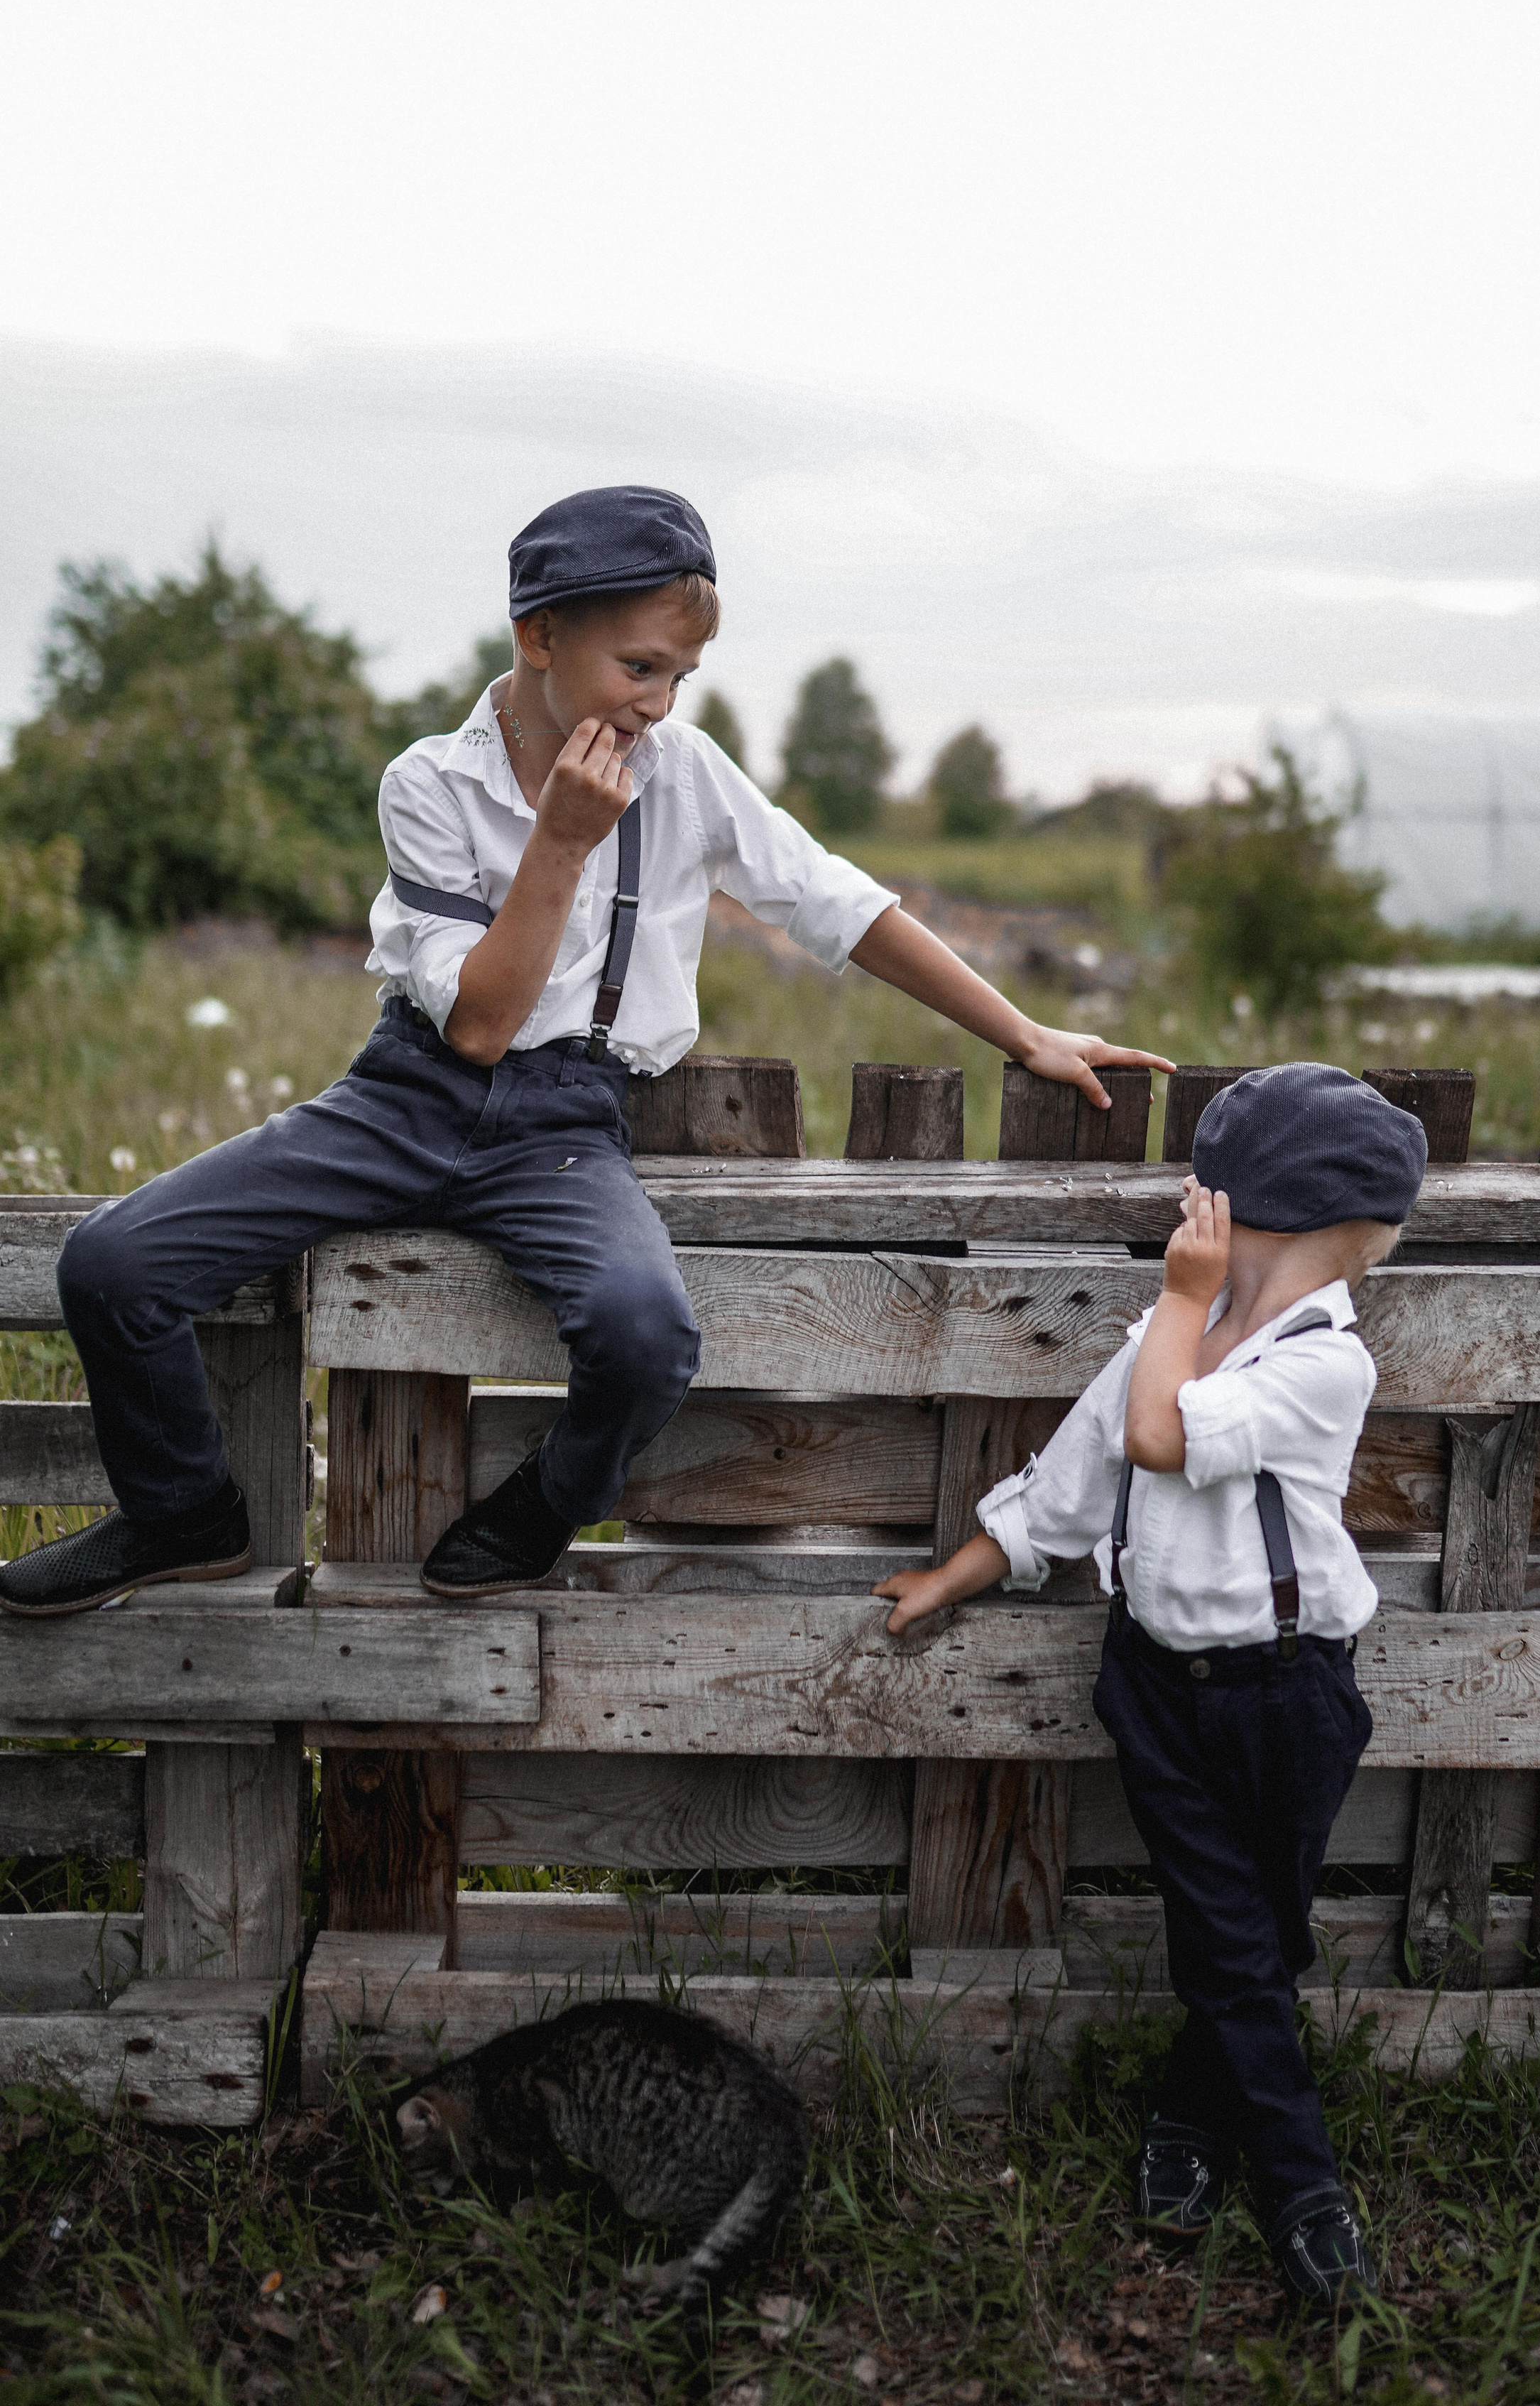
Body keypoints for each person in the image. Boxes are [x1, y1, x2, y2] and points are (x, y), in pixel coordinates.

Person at [1, 484, 1169, 1620]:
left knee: (644, 1333)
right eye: (639, 667)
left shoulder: (687, 777)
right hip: (404, 1098)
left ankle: (551, 1505)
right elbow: (475, 1025)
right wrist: (561, 842)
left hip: (561, 1128)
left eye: (680, 675)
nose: (660, 703)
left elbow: (840, 906)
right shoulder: (431, 783)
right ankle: (185, 1516)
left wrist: (1026, 1031)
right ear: (539, 635)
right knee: (112, 1263)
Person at [873, 1061, 1426, 2308]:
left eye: (1205, 1199)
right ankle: (1304, 2191)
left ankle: (1190, 2113)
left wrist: (1181, 1302)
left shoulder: (1327, 1364)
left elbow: (1162, 1434)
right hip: (1156, 1690)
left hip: (1291, 1694)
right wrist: (962, 1572)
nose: (1189, 1216)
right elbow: (1079, 1475)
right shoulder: (1160, 1339)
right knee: (1237, 1944)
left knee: (1256, 1940)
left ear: (1262, 1218)